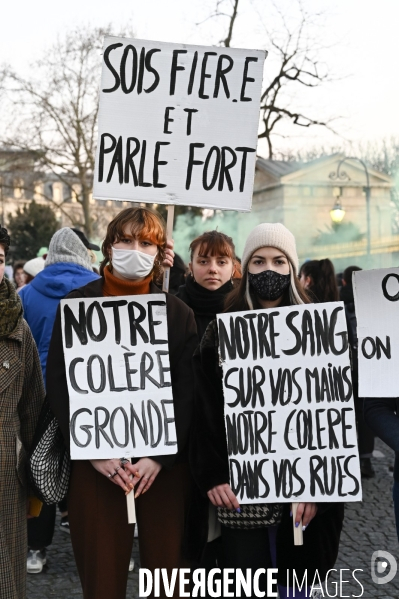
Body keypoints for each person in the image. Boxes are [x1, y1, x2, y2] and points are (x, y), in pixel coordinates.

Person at [46, 207, 198, 599]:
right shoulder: (76, 306)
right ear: (109, 246)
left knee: (167, 581)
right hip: (97, 468)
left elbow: (187, 392)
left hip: (160, 472)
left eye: (146, 242)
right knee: (101, 580)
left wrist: (160, 457)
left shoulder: (178, 313)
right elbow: (61, 386)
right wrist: (93, 451)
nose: (135, 249)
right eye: (126, 240)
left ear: (160, 251)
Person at [191, 223, 344, 599]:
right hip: (241, 498)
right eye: (258, 261)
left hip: (303, 497)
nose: (268, 270)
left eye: (279, 260)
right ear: (246, 269)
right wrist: (213, 476)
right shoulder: (219, 333)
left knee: (296, 590)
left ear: (292, 269)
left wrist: (320, 489)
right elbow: (205, 414)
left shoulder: (320, 331)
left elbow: (334, 416)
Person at [19, 227, 100, 574]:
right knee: (94, 475)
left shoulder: (25, 294)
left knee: (42, 469)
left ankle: (36, 548)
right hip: (92, 396)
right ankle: (102, 547)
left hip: (41, 397)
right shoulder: (101, 290)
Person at [0, 226, 45, 599]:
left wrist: (35, 491)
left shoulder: (18, 331)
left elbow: (33, 414)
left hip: (5, 489)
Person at [341, 265, 375, 479]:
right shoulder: (372, 299)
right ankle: (366, 460)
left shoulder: (336, 299)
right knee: (366, 414)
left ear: (344, 281)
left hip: (346, 365)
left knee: (346, 412)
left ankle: (346, 459)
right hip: (367, 364)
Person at [176, 230, 237, 340]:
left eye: (221, 262)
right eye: (203, 262)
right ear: (191, 268)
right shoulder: (173, 309)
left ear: (233, 269)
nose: (213, 269)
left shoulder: (245, 307)